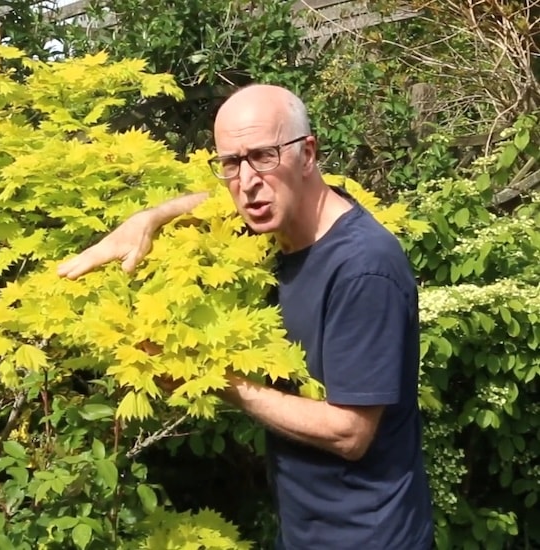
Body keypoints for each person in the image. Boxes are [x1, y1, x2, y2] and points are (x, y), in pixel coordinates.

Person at [58, 84, 433, 550]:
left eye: (263, 156)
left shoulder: (363, 269)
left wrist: (213, 378)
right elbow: (212, 204)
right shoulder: (277, 219)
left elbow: (350, 432)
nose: (247, 180)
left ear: (308, 153)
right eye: (231, 164)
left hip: (369, 536)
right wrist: (148, 219)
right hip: (303, 529)